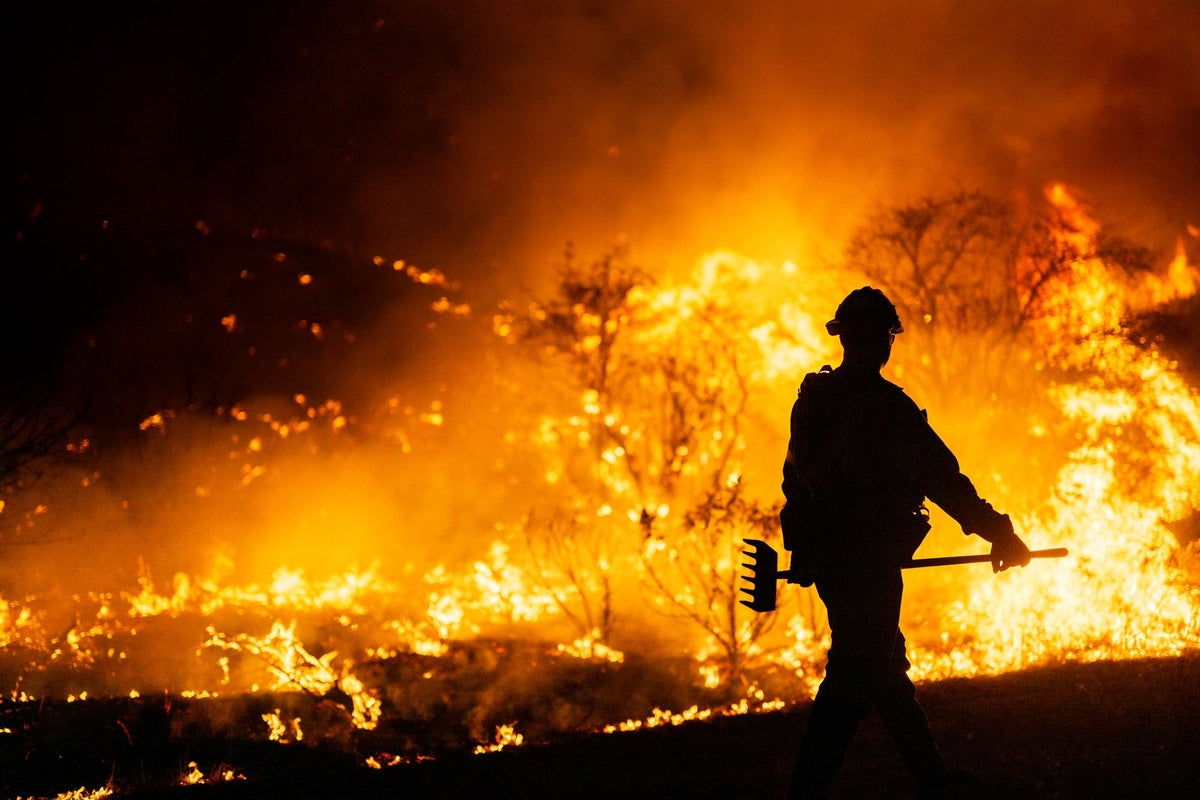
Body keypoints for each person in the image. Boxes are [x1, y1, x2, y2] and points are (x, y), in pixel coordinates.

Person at [780, 286, 1032, 799]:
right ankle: (807, 791)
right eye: (879, 336)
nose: (880, 345)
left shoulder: (815, 401)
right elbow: (944, 482)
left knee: (882, 666)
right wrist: (1000, 531)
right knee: (855, 674)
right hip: (868, 561)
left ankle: (931, 779)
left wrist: (805, 550)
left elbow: (794, 483)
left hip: (837, 561)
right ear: (878, 342)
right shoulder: (886, 409)